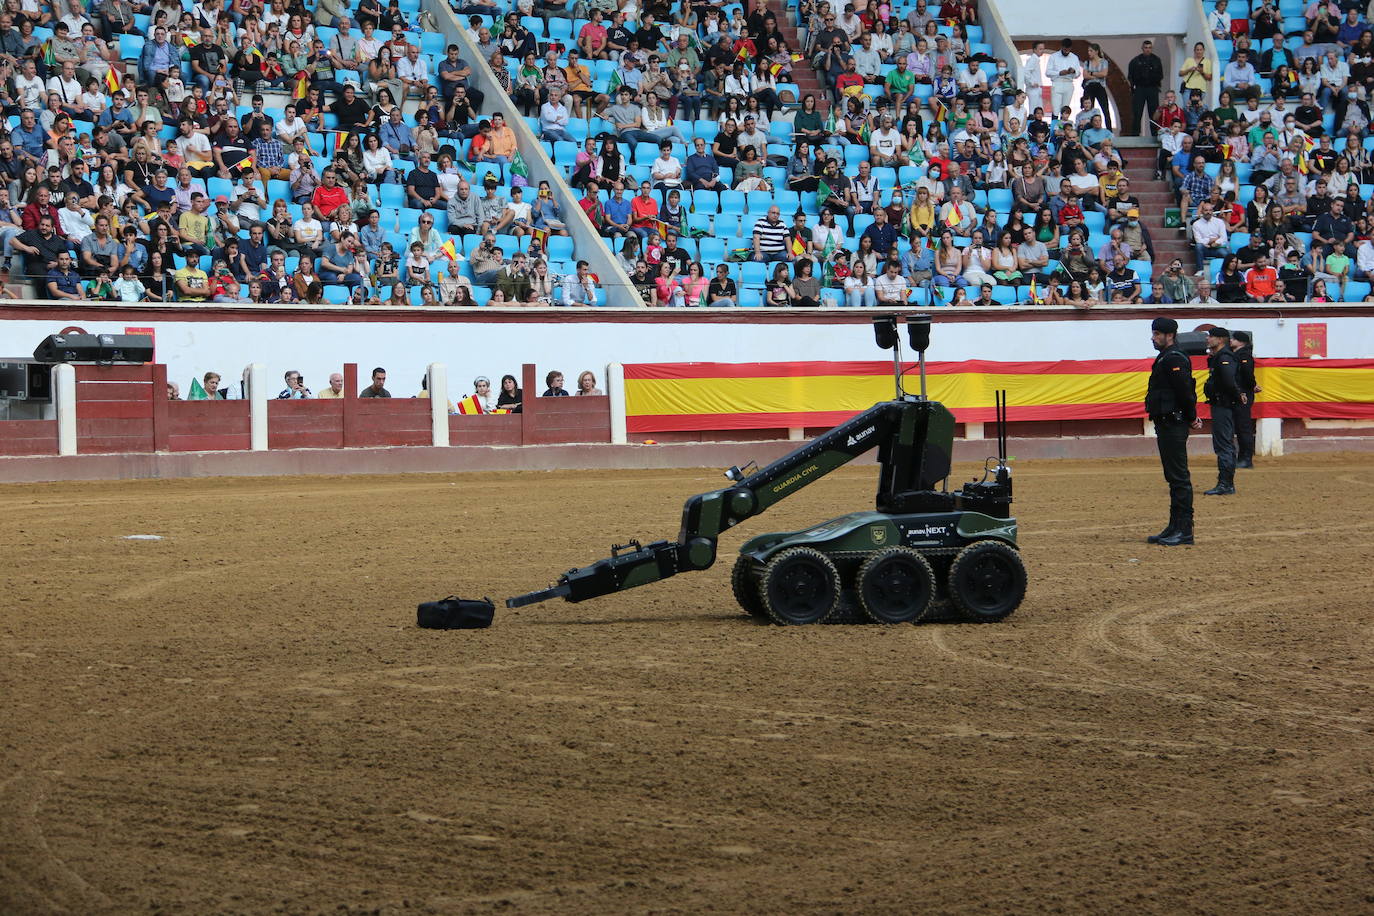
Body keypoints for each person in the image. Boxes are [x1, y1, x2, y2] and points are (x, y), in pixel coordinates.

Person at [1144, 316, 1201, 546]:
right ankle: (1175, 525)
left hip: (1174, 422)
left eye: (1157, 334)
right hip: (1167, 421)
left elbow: (1185, 391)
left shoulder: (1173, 358)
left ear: (1170, 335)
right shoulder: (1167, 357)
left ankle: (1184, 529)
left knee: (1179, 477)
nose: (1153, 338)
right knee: (1173, 476)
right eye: (1154, 333)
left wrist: (1191, 416)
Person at [1203, 327, 1242, 496]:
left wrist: (1237, 394)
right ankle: (1225, 483)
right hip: (1222, 403)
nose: (1208, 339)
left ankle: (1226, 484)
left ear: (1220, 340)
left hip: (1223, 404)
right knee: (1223, 443)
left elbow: (1227, 379)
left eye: (1211, 337)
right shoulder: (1219, 357)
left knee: (1223, 444)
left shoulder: (1224, 357)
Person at [1231, 329, 1260, 468]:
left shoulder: (1244, 356)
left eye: (1234, 339)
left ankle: (1246, 458)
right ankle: (1243, 457)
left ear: (1241, 342)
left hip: (1243, 393)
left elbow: (1247, 374)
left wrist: (1251, 385)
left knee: (1243, 426)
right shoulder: (1240, 355)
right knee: (1241, 426)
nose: (1231, 340)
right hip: (1241, 392)